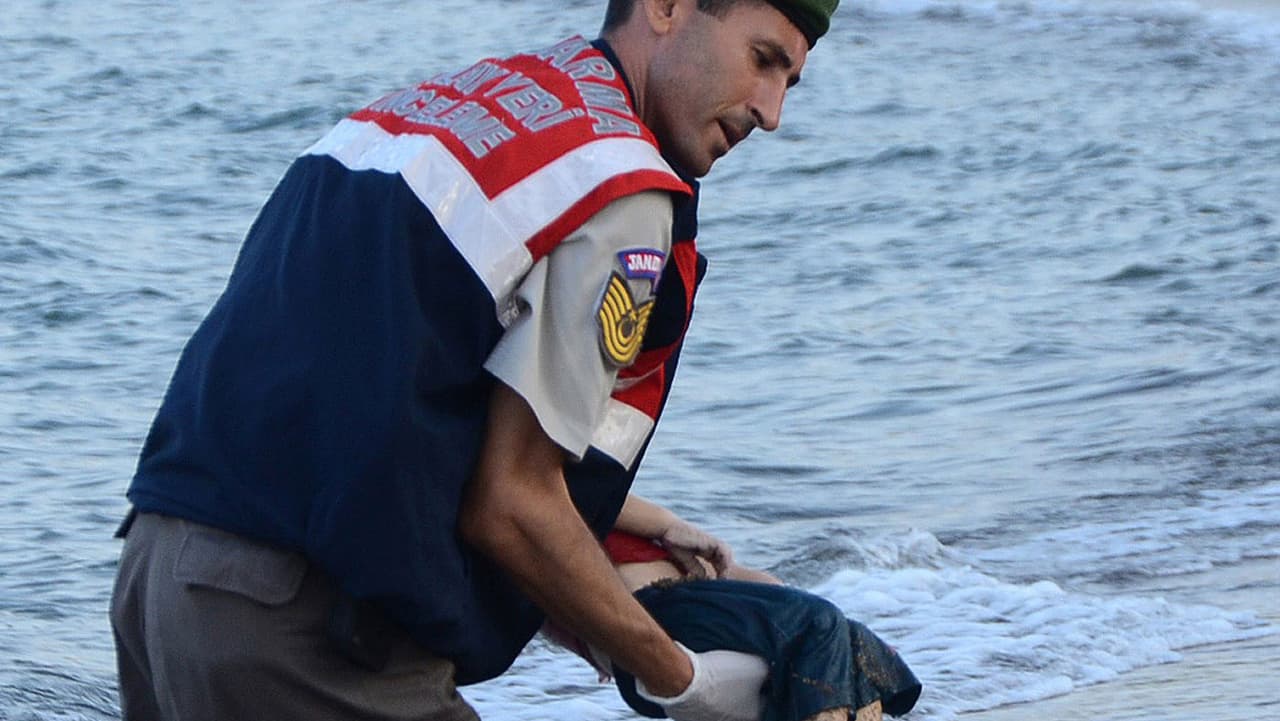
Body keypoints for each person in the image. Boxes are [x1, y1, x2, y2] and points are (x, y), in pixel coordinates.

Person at [109, 1, 839, 720]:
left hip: (158, 576)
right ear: (667, 6)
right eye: (762, 59)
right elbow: (511, 505)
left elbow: (395, 398)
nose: (770, 111)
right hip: (299, 626)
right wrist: (684, 680)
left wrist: (631, 521)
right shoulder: (621, 188)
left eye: (789, 82)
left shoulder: (438, 109)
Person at [545, 496, 922, 721]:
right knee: (823, 624)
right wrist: (670, 524)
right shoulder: (571, 501)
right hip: (648, 613)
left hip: (692, 607)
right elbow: (587, 489)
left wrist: (796, 607)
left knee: (848, 640)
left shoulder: (645, 534)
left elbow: (735, 578)